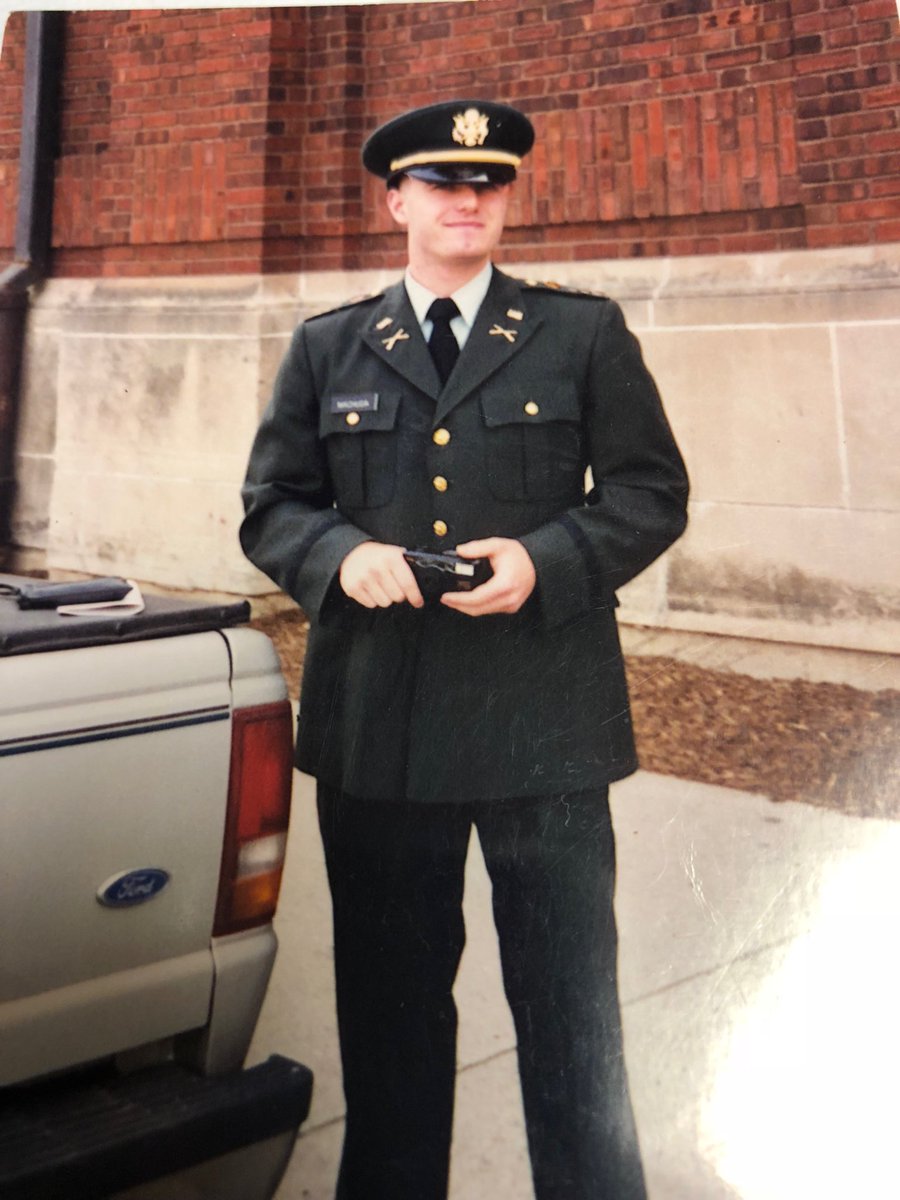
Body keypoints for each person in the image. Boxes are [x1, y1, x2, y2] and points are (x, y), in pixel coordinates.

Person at [241, 98, 689, 1200]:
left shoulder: (581, 335)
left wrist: (548, 558)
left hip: (545, 728)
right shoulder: (329, 345)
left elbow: (649, 491)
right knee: (390, 1022)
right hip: (381, 732)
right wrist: (341, 554)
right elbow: (273, 505)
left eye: (488, 183)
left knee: (573, 1018)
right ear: (396, 201)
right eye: (441, 182)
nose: (468, 199)